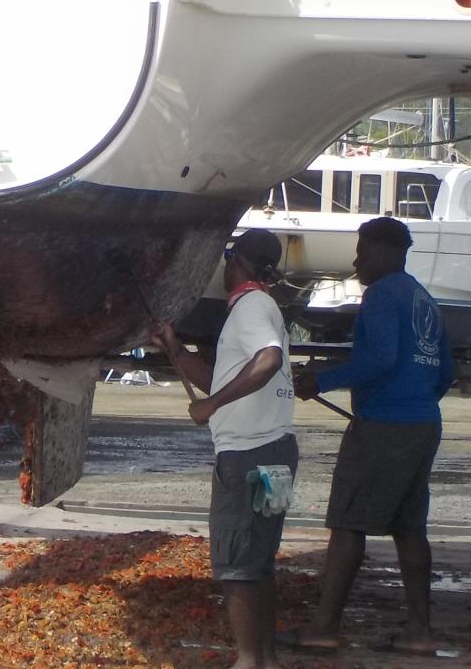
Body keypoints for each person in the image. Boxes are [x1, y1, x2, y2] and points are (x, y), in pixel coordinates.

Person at [280, 216, 455, 657]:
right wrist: (412, 398)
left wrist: (320, 381)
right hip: (423, 423)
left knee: (348, 523)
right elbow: (445, 372)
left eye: (362, 250)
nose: (357, 261)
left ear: (384, 252)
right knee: (410, 527)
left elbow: (379, 357)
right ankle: (420, 631)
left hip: (385, 426)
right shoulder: (423, 298)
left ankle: (323, 627)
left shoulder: (380, 295)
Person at [155, 228, 297, 669]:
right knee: (258, 562)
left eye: (228, 260)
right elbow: (219, 377)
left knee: (236, 565)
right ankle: (265, 659)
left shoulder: (252, 306)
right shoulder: (261, 307)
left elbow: (268, 359)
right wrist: (176, 350)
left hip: (250, 457)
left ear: (238, 263)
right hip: (275, 451)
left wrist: (212, 405)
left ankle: (249, 661)